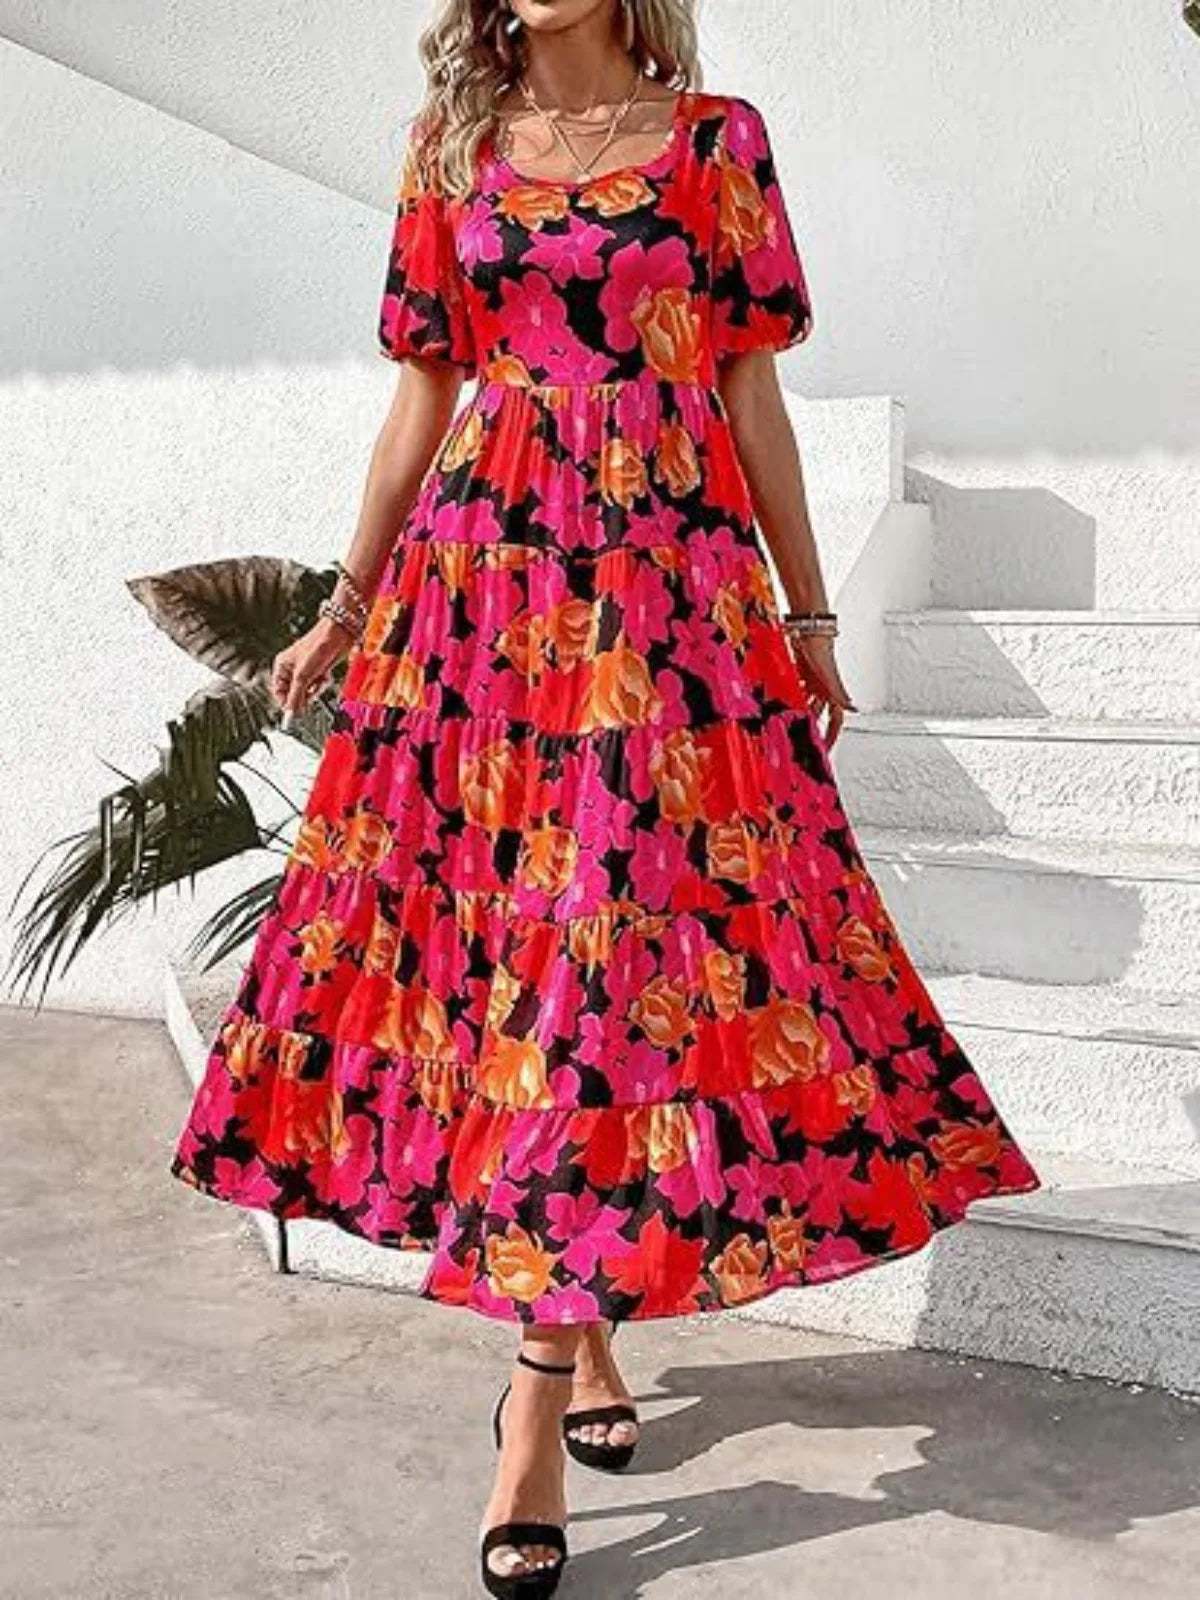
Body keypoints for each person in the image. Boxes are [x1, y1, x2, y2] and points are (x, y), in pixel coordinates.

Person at [170, 2, 1042, 1593]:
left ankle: (547, 1362)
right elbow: (421, 401)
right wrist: (349, 598)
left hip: (669, 594)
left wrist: (810, 610)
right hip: (487, 598)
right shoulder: (451, 150)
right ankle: (557, 1364)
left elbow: (752, 394)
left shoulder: (720, 145)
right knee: (529, 966)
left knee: (627, 964)